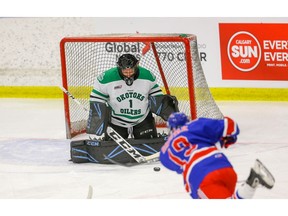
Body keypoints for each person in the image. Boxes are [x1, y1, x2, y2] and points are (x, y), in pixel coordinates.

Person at [160, 112, 275, 199]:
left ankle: (251, 183)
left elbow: (178, 166)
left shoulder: (164, 152)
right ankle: (250, 184)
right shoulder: (196, 125)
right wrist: (227, 139)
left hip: (202, 176)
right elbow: (231, 126)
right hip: (225, 168)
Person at [86, 53, 178, 140]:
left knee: (149, 144)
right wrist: (97, 117)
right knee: (112, 149)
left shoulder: (147, 76)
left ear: (136, 66)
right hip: (117, 121)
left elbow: (156, 96)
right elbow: (97, 98)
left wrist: (169, 111)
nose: (129, 74)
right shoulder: (107, 78)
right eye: (125, 71)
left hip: (142, 120)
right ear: (119, 68)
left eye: (131, 71)